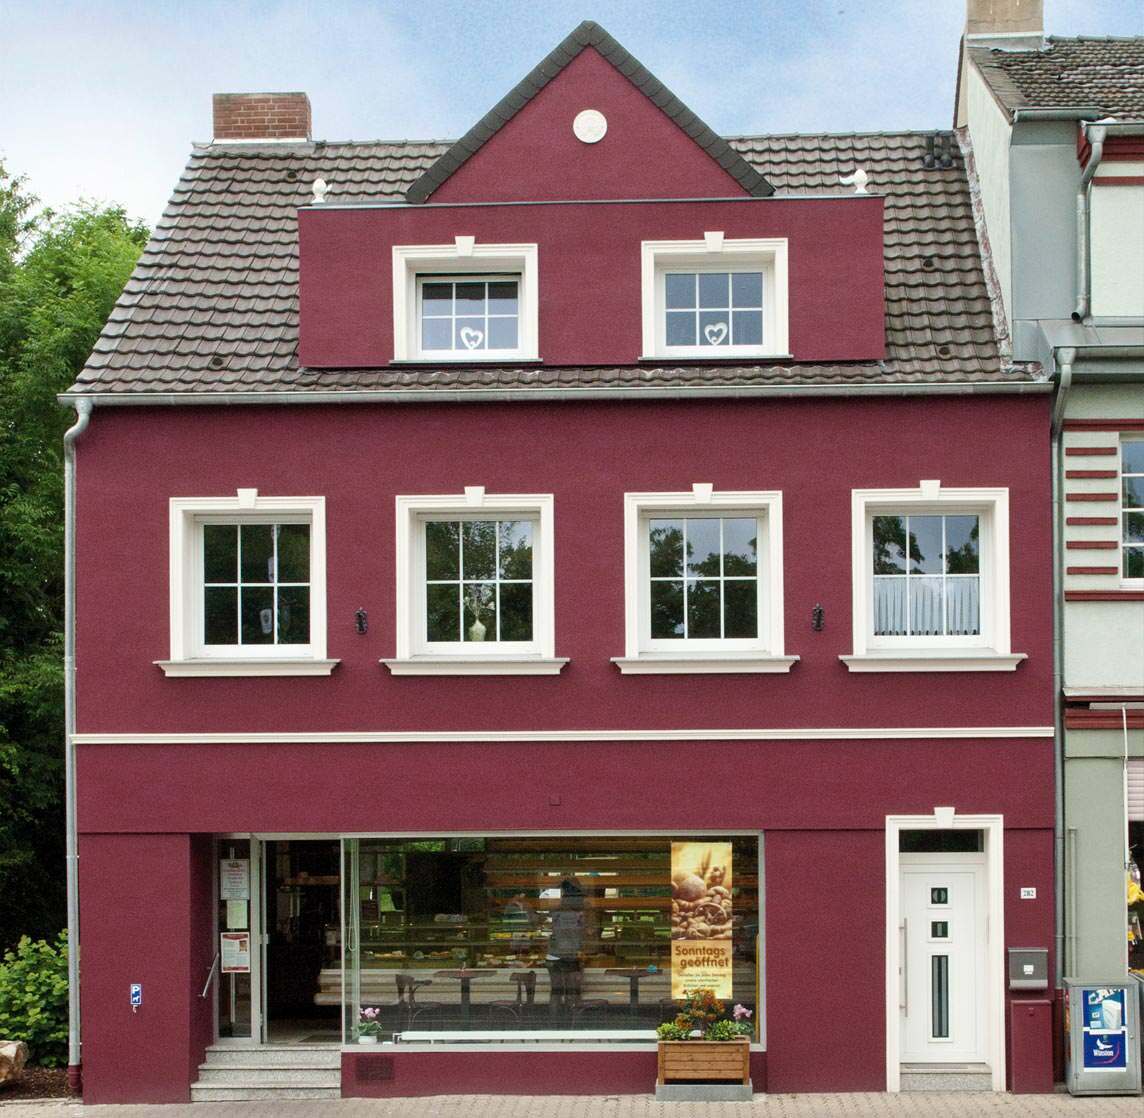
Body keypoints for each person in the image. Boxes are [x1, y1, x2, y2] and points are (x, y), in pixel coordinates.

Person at [545, 878, 586, 1021]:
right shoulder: (578, 914)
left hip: (553, 956)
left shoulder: (555, 912)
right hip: (570, 954)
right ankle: (573, 1025)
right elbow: (579, 936)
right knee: (572, 992)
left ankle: (553, 1026)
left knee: (555, 992)